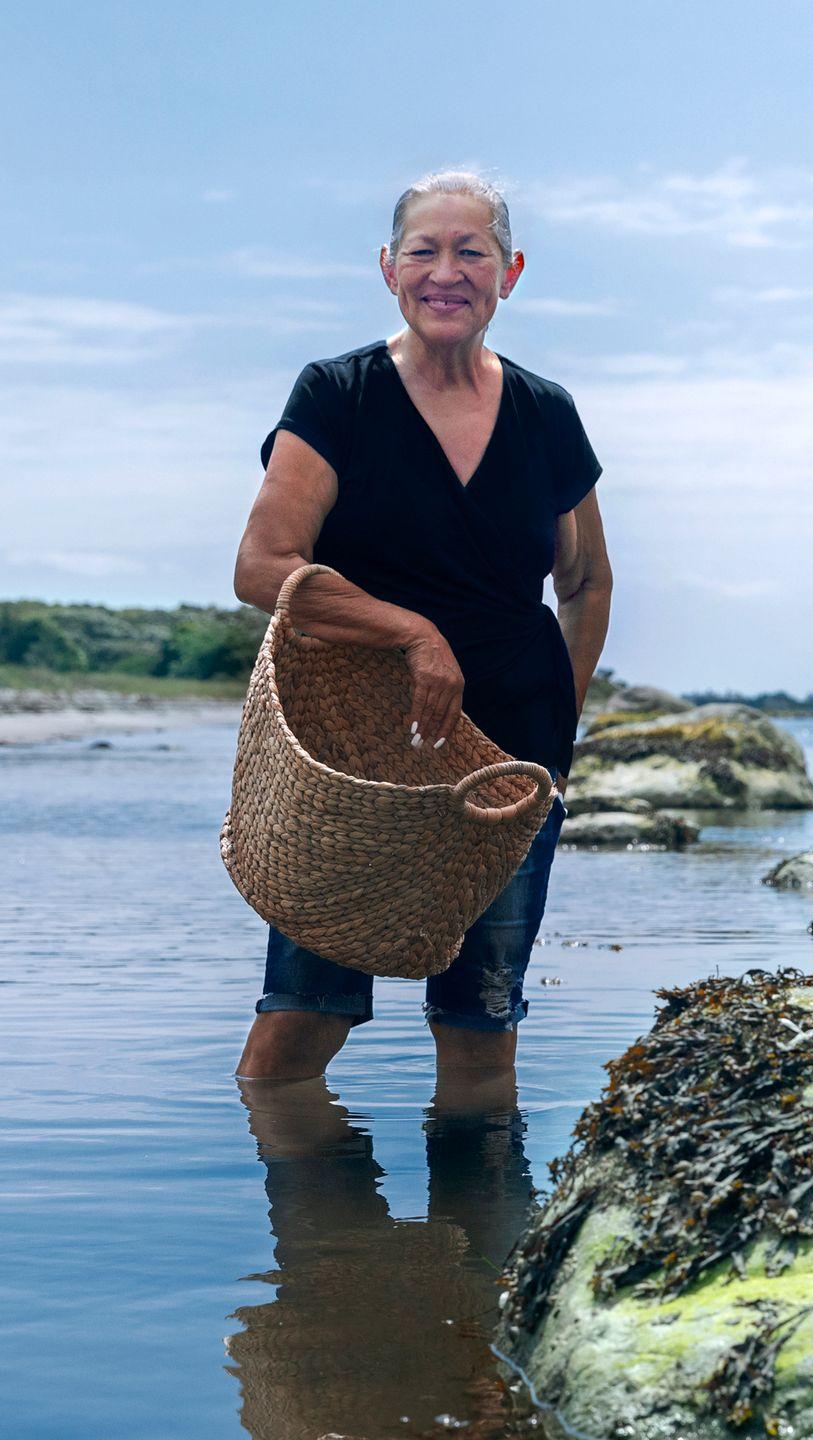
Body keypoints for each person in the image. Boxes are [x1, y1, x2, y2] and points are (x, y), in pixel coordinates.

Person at [231, 169, 614, 1081]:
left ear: (510, 272)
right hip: (363, 756)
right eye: (424, 251)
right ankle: (317, 1222)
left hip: (510, 766)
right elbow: (262, 568)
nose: (448, 272)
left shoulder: (546, 413)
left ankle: (479, 1228)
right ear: (387, 270)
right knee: (301, 1026)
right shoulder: (339, 394)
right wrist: (411, 633)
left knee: (482, 1032)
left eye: (471, 251)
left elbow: (588, 582)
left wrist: (556, 730)